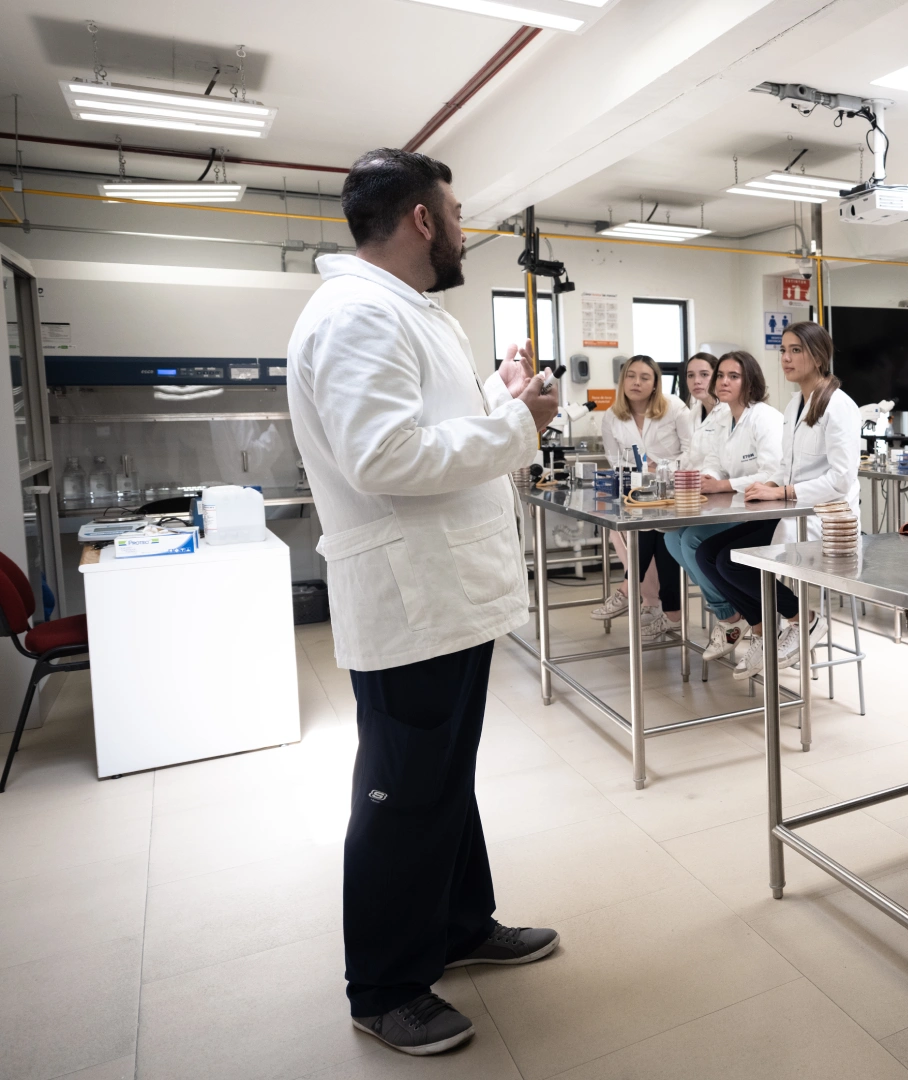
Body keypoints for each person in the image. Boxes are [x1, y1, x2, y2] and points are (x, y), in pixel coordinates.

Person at [286, 148, 560, 1056]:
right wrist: (520, 425)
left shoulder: (408, 312)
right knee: (401, 791)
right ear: (420, 219)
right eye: (455, 208)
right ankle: (387, 985)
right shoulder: (359, 315)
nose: (462, 226)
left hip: (447, 590)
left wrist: (501, 397)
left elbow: (431, 424)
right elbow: (386, 459)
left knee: (442, 779)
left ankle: (458, 925)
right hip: (412, 597)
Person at [699, 322, 861, 680]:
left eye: (796, 350)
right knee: (707, 554)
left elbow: (841, 479)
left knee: (731, 562)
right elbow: (787, 468)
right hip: (792, 511)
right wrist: (766, 485)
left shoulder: (840, 406)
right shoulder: (794, 405)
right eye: (783, 350)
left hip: (824, 519)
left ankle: (803, 619)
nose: (786, 358)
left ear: (819, 356)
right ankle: (761, 629)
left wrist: (784, 492)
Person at [661, 351, 783, 666]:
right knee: (671, 539)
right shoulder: (724, 416)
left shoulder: (764, 416)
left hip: (765, 512)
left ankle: (733, 620)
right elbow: (715, 461)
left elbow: (774, 473)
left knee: (692, 541)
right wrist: (708, 478)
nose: (724, 381)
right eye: (722, 376)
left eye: (734, 376)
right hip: (735, 506)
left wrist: (723, 486)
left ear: (750, 381)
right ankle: (730, 612)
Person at [589, 355, 697, 634]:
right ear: (623, 380)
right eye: (631, 376)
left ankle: (629, 592)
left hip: (673, 491)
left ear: (655, 384)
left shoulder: (674, 407)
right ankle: (668, 612)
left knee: (660, 538)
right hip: (638, 495)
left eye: (645, 377)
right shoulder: (612, 416)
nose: (636, 382)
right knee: (650, 538)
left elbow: (693, 451)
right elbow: (614, 460)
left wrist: (663, 468)